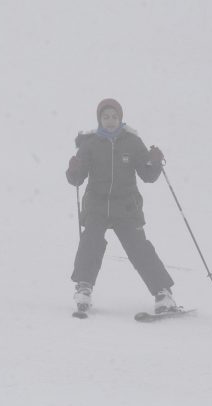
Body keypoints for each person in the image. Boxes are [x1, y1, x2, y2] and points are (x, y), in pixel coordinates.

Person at [66, 98, 177, 314]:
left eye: (114, 117)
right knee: (90, 242)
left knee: (139, 248)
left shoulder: (132, 143)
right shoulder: (90, 144)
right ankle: (83, 288)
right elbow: (77, 180)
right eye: (106, 117)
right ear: (99, 119)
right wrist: (74, 170)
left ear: (120, 118)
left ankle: (163, 293)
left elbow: (147, 175)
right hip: (97, 205)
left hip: (126, 206)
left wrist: (154, 163)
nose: (110, 121)